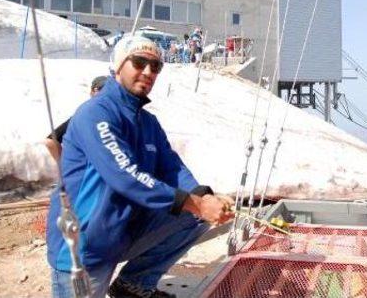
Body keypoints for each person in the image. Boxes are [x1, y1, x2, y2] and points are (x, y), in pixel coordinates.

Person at [46, 35, 234, 298]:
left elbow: (172, 168)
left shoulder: (148, 123)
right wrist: (196, 203)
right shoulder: (96, 113)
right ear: (119, 65)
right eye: (139, 62)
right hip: (85, 245)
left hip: (119, 233)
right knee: (192, 207)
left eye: (155, 66)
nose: (148, 72)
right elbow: (125, 176)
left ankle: (133, 285)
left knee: (194, 215)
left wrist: (204, 197)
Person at [44, 76, 107, 162]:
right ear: (92, 92)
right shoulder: (81, 116)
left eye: (107, 90)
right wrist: (64, 166)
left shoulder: (119, 116)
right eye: (99, 89)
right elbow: (50, 141)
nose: (102, 94)